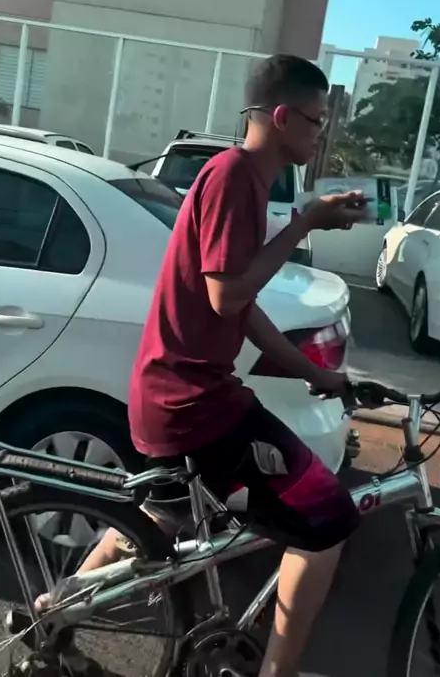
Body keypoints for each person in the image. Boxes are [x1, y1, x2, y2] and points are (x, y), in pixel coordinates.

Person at [42, 55, 368, 675]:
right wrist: (304, 222)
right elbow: (228, 294)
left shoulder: (243, 181)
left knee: (155, 526)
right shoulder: (233, 178)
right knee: (328, 522)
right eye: (317, 120)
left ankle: (51, 613)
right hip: (196, 405)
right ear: (281, 117)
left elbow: (243, 312)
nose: (321, 133)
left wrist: (314, 373)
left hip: (177, 398)